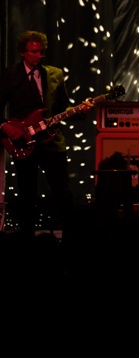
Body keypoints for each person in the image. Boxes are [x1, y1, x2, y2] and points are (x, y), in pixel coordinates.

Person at [0, 30, 82, 240]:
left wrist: (79, 111)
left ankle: (73, 239)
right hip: (22, 141)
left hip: (51, 141)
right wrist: (5, 127)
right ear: (22, 53)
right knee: (27, 194)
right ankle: (27, 241)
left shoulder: (54, 74)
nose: (39, 56)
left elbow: (63, 107)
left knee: (62, 191)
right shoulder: (10, 75)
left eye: (41, 52)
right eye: (34, 52)